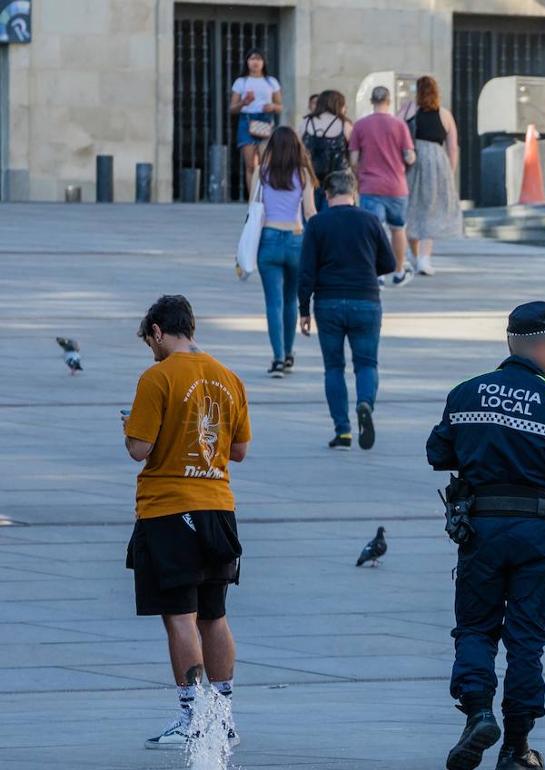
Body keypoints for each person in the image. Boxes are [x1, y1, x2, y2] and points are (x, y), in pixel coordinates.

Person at [427, 301, 545, 770]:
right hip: (536, 530)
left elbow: (438, 452)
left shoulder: (466, 392)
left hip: (479, 528)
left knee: (475, 628)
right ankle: (516, 747)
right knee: (526, 640)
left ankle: (478, 713)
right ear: (543, 345)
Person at [122, 295, 250, 750]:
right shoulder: (228, 377)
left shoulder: (157, 377)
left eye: (150, 342)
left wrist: (131, 427)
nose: (152, 351)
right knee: (214, 614)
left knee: (180, 616)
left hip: (169, 510)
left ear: (158, 331)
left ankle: (195, 715)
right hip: (218, 508)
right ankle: (223, 716)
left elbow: (139, 448)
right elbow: (238, 450)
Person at [298, 170, 396, 450]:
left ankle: (342, 431)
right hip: (365, 300)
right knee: (366, 363)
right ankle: (365, 403)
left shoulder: (317, 224)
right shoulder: (370, 220)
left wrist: (304, 310)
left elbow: (306, 271)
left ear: (327, 194)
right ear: (354, 193)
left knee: (333, 367)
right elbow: (389, 263)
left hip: (328, 303)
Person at [254, 126, 317, 378]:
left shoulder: (261, 172)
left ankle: (278, 358)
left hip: (269, 238)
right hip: (295, 239)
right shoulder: (303, 173)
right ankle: (289, 353)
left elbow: (254, 208)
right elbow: (310, 211)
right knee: (291, 300)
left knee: (273, 302)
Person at [350, 85, 416, 287]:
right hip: (397, 186)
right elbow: (409, 156)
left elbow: (353, 159)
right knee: (398, 229)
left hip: (370, 185)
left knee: (373, 231)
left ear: (372, 101)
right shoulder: (399, 125)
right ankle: (398, 271)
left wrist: (359, 175)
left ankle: (377, 274)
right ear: (389, 101)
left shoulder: (360, 125)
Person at [399, 75, 463, 276]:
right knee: (431, 211)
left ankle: (414, 254)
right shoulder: (445, 114)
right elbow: (452, 147)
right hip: (437, 162)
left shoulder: (408, 110)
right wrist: (450, 172)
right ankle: (424, 258)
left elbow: (395, 131)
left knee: (411, 209)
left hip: (412, 161)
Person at [229, 48, 282, 195]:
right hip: (246, 120)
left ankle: (266, 196)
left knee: (266, 164)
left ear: (263, 62)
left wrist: (272, 106)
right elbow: (232, 108)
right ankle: (252, 197)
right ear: (247, 62)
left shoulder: (271, 81)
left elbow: (280, 106)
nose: (255, 62)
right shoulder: (241, 82)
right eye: (252, 59)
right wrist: (244, 102)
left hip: (265, 121)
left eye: (258, 59)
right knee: (250, 165)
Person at [301, 90, 353, 212]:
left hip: (311, 178)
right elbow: (353, 151)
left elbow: (297, 149)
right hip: (338, 180)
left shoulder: (306, 122)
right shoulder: (344, 124)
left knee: (310, 215)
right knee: (336, 216)